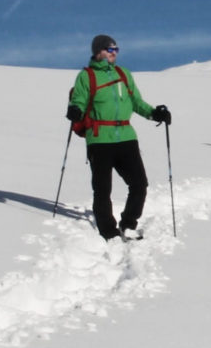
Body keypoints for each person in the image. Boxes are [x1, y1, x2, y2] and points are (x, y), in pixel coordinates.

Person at [67, 34, 170, 241]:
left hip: (126, 137)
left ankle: (128, 224)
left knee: (139, 184)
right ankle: (108, 231)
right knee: (102, 189)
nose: (114, 53)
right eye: (110, 49)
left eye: (116, 49)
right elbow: (79, 100)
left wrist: (154, 114)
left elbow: (136, 102)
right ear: (98, 51)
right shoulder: (86, 76)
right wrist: (75, 110)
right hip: (99, 139)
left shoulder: (124, 74)